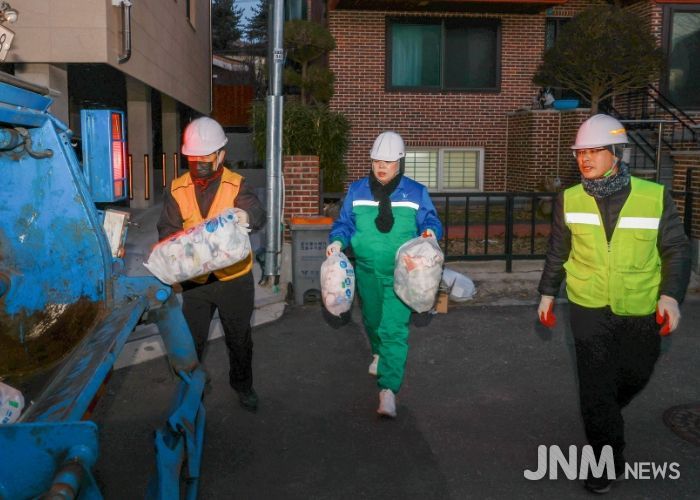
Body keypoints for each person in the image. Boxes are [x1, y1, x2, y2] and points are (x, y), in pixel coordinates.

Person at [537, 114, 691, 494]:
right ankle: (606, 461)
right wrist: (547, 293)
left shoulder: (653, 196)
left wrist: (670, 295)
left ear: (617, 153)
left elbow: (676, 248)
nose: (585, 159)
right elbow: (558, 250)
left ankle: (604, 412)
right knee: (594, 386)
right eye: (580, 152)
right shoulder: (570, 198)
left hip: (640, 304)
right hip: (587, 304)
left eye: (593, 151)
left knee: (636, 373)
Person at [327, 131, 443, 418]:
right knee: (372, 320)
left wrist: (430, 232)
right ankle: (378, 352)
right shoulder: (357, 191)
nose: (381, 166)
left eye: (388, 162)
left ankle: (388, 389)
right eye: (377, 161)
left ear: (399, 162)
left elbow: (430, 220)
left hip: (402, 275)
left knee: (393, 330)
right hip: (366, 271)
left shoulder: (416, 192)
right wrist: (337, 241)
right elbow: (344, 224)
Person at [157, 116, 266, 412]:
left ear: (221, 155)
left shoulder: (236, 184)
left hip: (234, 280)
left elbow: (257, 212)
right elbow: (167, 231)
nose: (200, 162)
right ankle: (192, 387)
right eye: (194, 158)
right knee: (192, 341)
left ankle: (243, 385)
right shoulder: (177, 189)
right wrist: (173, 264)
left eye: (206, 156)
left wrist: (247, 216)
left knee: (239, 339)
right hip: (197, 283)